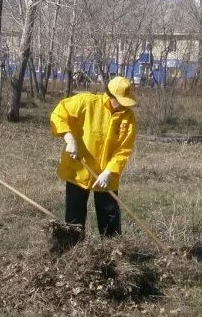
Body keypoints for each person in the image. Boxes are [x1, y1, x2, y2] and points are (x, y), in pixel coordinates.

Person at [50, 76, 138, 238]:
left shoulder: (128, 118)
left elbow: (123, 149)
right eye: (121, 101)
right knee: (74, 218)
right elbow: (58, 114)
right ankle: (73, 252)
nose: (125, 106)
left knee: (110, 216)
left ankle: (113, 252)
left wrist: (109, 171)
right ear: (111, 95)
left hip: (107, 175)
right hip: (79, 169)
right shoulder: (86, 102)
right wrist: (69, 139)